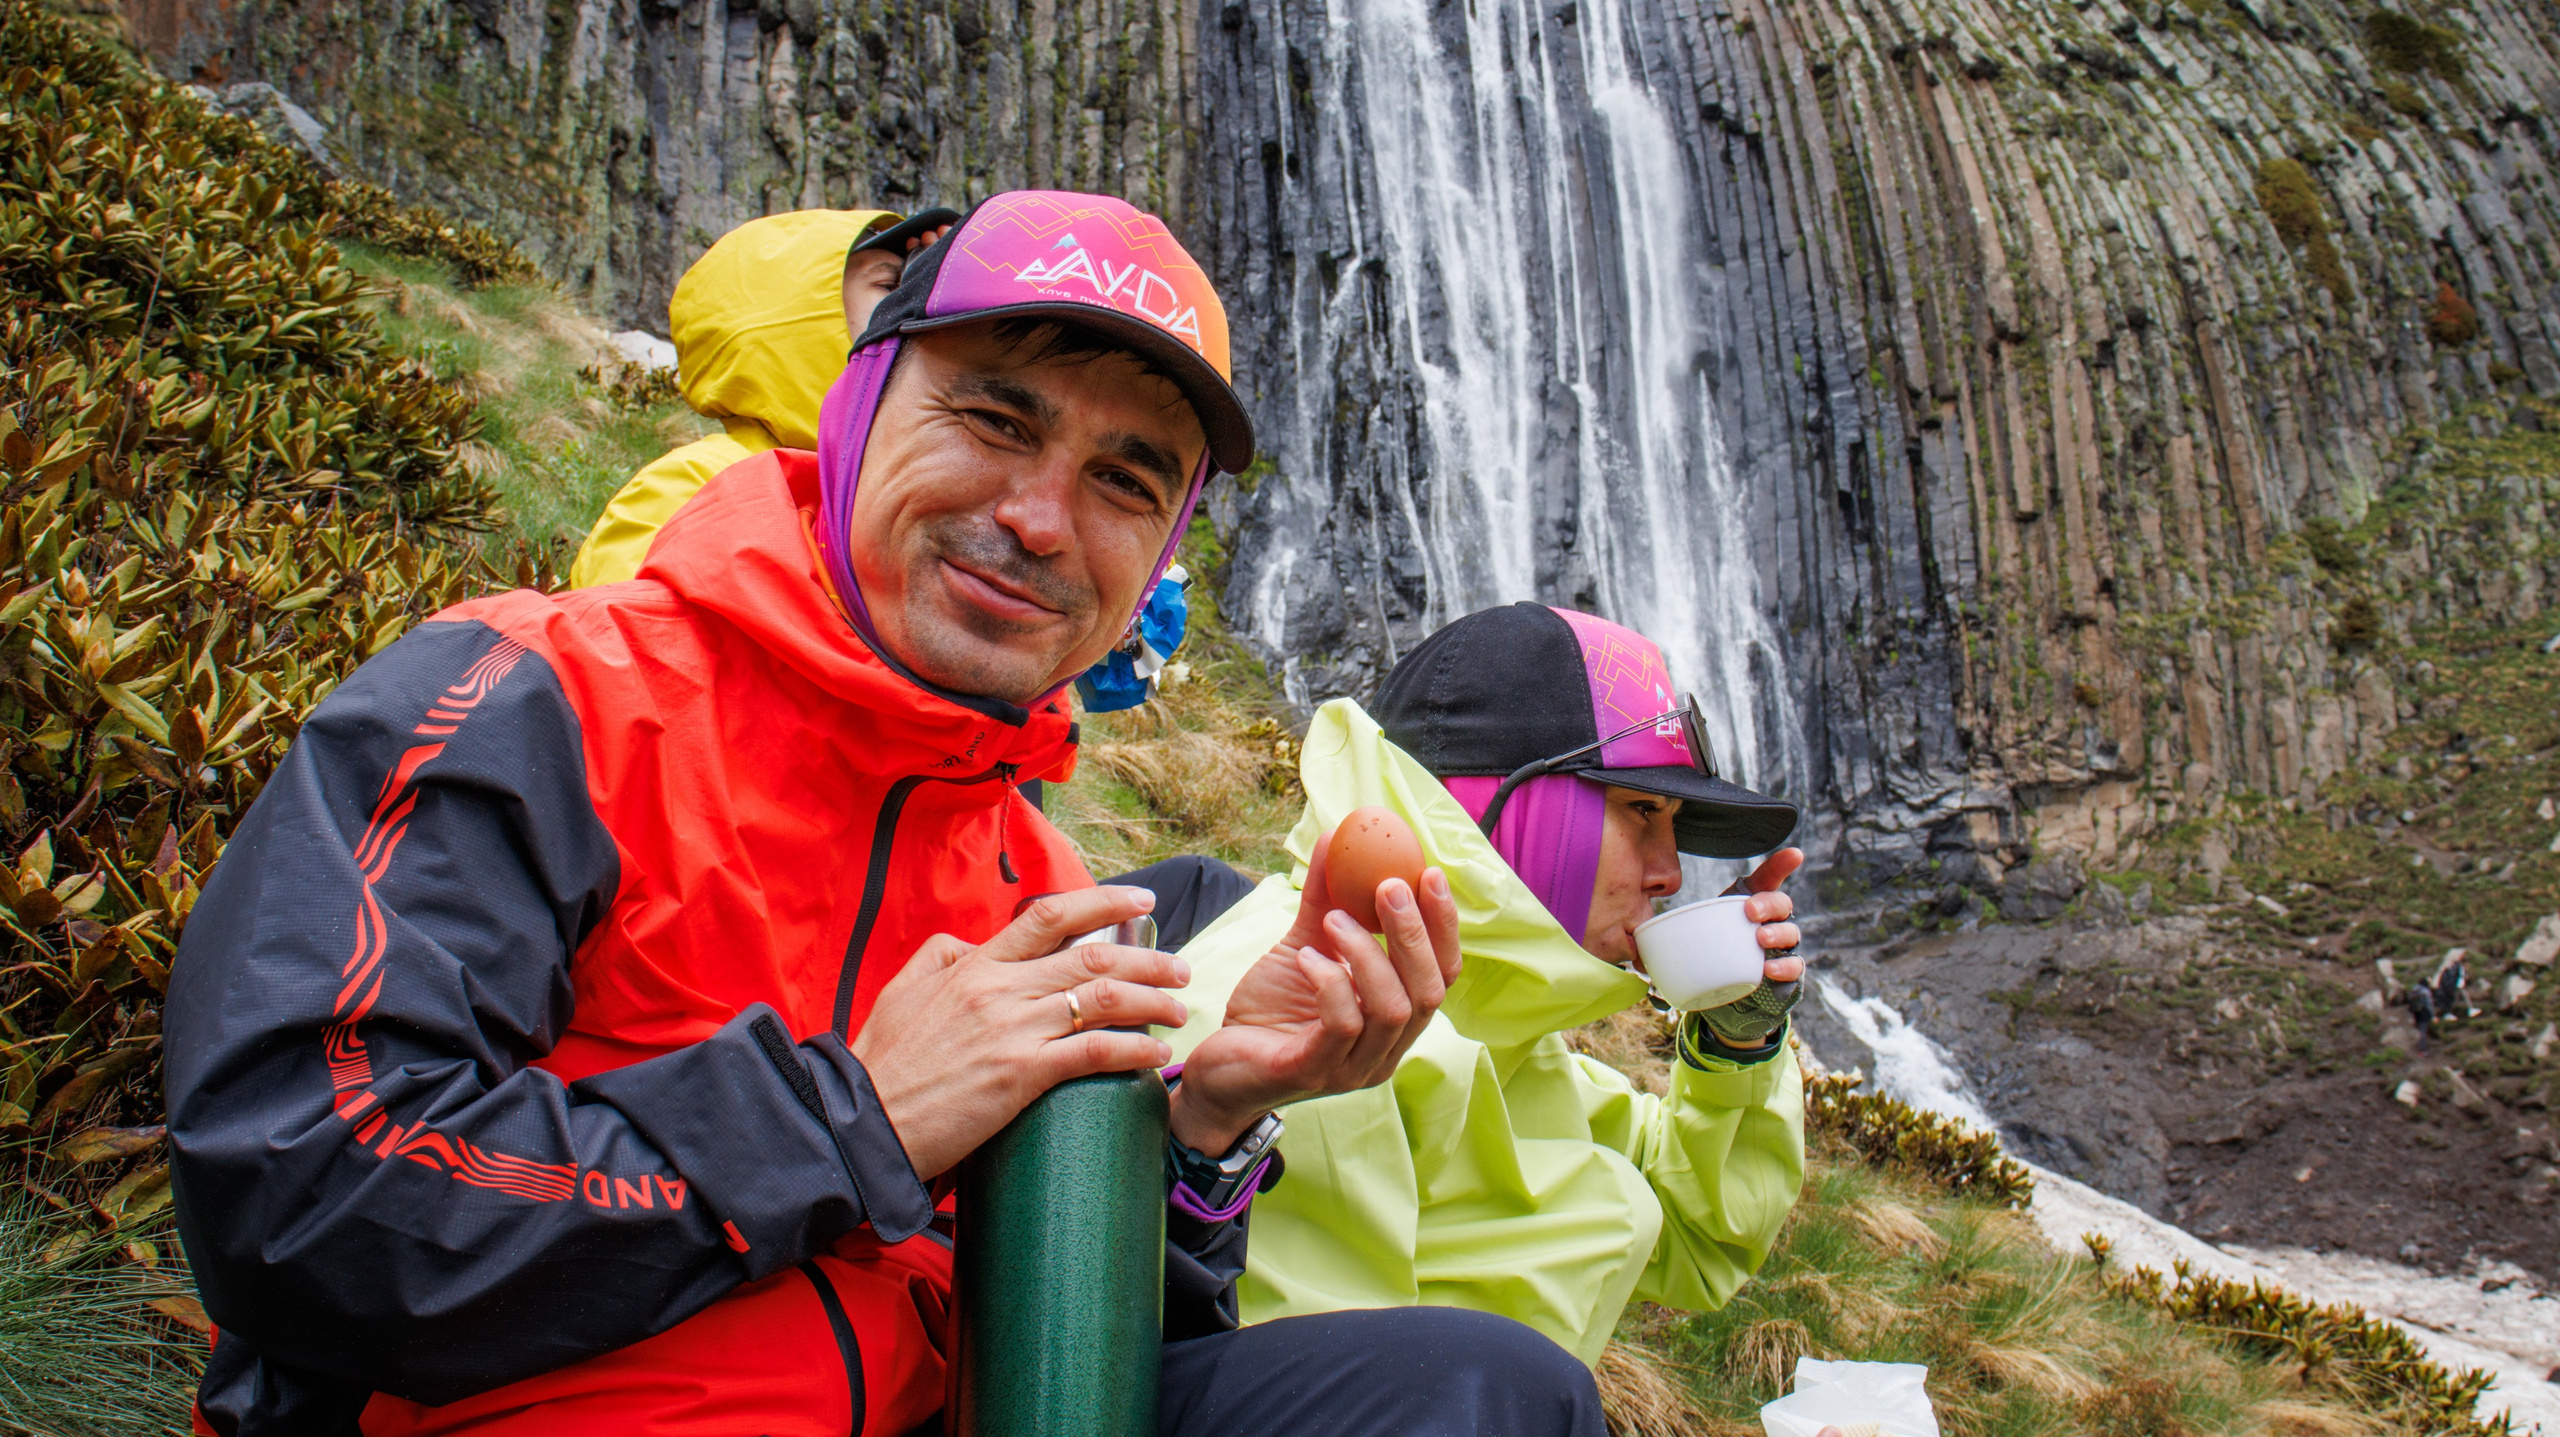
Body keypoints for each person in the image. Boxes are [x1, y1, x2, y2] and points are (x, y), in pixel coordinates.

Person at [167, 193, 1608, 1436]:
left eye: (1125, 480)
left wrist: (1203, 1133)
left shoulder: (1037, 877)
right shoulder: (535, 698)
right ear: (856, 409)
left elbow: (1072, 1376)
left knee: (1480, 1388)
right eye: (995, 416)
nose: (1042, 519)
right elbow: (299, 1202)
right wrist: (849, 1114)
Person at [1164, 601, 1809, 1365]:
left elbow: (1694, 1228)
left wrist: (1741, 1040)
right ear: (1504, 802)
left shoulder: (1492, 1028)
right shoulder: (1321, 1023)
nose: (1670, 871)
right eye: (1641, 810)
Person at [566, 205, 957, 589]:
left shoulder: (899, 493)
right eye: (891, 286)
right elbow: (620, 634)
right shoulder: (700, 482)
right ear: (800, 319)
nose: (912, 311)